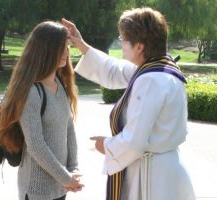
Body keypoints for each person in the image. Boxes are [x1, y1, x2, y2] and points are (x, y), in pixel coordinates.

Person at [62, 7, 195, 200]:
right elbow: (114, 70)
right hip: (165, 171)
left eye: (123, 39)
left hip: (153, 179)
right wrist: (81, 45)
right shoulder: (159, 68)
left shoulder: (150, 80)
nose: (121, 43)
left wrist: (106, 145)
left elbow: (134, 141)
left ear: (139, 46)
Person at [0, 21, 84, 200]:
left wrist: (73, 169)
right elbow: (36, 145)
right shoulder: (32, 92)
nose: (66, 53)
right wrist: (66, 177)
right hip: (37, 190)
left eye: (66, 47)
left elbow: (69, 129)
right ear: (45, 50)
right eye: (60, 48)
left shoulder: (61, 85)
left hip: (61, 187)